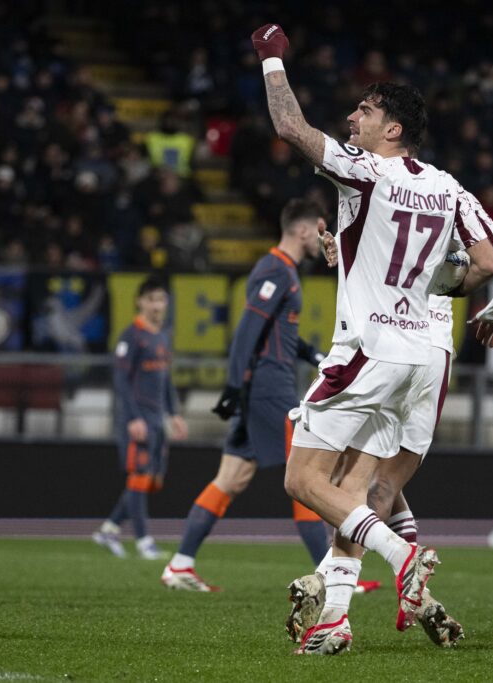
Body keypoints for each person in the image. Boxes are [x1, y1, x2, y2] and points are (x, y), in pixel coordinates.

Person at [250, 23, 493, 654]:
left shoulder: (368, 172)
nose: (351, 117)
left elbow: (290, 128)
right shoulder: (447, 186)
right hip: (428, 357)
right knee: (368, 488)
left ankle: (402, 558)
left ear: (392, 129)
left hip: (370, 349)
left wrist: (272, 62)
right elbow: (491, 266)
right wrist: (444, 293)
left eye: (364, 110)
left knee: (306, 482)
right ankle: (337, 617)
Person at [160, 198, 332, 591]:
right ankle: (332, 575)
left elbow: (276, 331)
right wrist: (234, 387)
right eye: (319, 230)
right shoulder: (275, 269)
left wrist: (310, 353)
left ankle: (181, 564)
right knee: (305, 473)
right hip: (269, 390)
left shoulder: (284, 271)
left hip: (261, 387)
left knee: (231, 478)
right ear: (303, 230)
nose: (322, 239)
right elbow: (246, 332)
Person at [92, 276, 188, 560]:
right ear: (140, 302)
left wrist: (174, 413)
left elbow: (165, 379)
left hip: (158, 420)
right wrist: (133, 418)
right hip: (137, 420)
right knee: (139, 476)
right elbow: (121, 380)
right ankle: (144, 541)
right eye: (152, 300)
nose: (157, 306)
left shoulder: (161, 335)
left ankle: (109, 529)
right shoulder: (130, 336)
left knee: (150, 480)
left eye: (161, 300)